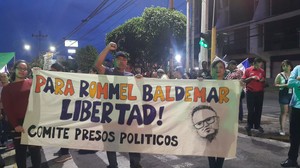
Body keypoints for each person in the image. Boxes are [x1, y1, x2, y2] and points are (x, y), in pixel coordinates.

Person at [95, 42, 142, 168]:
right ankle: (113, 165)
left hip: (127, 114)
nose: (121, 61)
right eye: (119, 59)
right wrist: (107, 48)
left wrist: (140, 80)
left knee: (132, 141)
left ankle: (135, 164)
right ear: (115, 61)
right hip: (111, 115)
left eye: (124, 59)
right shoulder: (108, 72)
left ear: (127, 63)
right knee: (111, 142)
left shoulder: (130, 76)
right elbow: (97, 64)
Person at [1, 60, 41, 168]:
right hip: (18, 123)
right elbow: (8, 109)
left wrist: (39, 74)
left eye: (25, 69)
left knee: (35, 151)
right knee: (20, 152)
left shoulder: (32, 83)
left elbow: (46, 88)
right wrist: (15, 125)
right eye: (20, 68)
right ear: (14, 69)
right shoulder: (7, 89)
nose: (22, 71)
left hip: (33, 121)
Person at [49, 63, 73, 163]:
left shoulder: (66, 80)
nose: (51, 72)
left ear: (59, 70)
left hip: (66, 111)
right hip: (60, 110)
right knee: (60, 132)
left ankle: (65, 153)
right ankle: (63, 150)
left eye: (53, 70)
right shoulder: (55, 80)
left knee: (64, 132)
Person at [206, 60, 227, 168]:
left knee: (222, 146)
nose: (218, 69)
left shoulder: (230, 84)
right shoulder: (207, 83)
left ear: (224, 70)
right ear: (212, 70)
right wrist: (198, 83)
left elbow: (238, 98)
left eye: (221, 67)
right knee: (211, 145)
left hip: (225, 120)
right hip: (210, 120)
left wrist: (240, 87)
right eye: (215, 67)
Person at [281, 65, 300, 167]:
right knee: (294, 135)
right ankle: (292, 160)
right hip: (296, 107)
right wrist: (297, 80)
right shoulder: (298, 68)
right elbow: (290, 83)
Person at [242, 57, 266, 136]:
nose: (260, 66)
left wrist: (262, 80)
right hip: (250, 92)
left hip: (260, 92)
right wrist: (251, 78)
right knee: (251, 110)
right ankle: (249, 125)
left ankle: (257, 125)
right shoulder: (248, 70)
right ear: (255, 63)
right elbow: (243, 80)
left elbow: (264, 80)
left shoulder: (262, 71)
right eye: (259, 65)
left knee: (258, 109)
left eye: (261, 65)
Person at [274, 60, 293, 136]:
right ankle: (282, 129)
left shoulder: (294, 75)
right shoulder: (280, 75)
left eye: (287, 65)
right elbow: (276, 84)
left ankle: (292, 129)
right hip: (283, 95)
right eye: (283, 66)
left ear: (290, 67)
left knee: (292, 113)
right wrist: (284, 85)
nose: (285, 67)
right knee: (284, 112)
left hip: (292, 95)